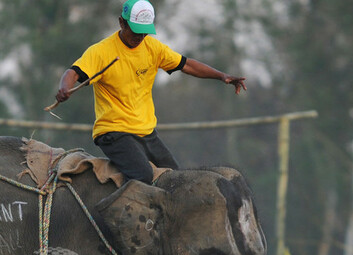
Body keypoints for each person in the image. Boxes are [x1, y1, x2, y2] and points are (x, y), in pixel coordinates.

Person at [54, 0, 246, 183]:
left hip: (146, 132)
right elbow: (73, 72)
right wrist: (64, 88)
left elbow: (186, 65)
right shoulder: (101, 52)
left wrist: (222, 76)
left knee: (176, 180)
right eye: (136, 31)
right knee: (142, 175)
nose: (140, 37)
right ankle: (115, 215)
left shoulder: (153, 48)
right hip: (113, 132)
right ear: (122, 22)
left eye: (145, 32)